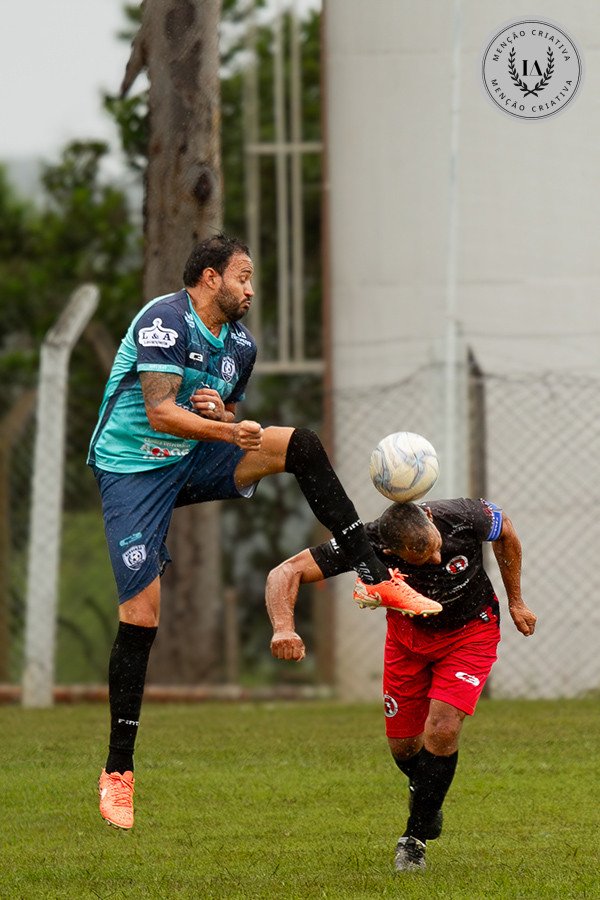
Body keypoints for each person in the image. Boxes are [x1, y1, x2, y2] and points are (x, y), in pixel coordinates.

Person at [87, 233, 442, 830]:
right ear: (208, 278)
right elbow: (159, 412)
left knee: (300, 445)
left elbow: (218, 416)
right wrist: (229, 431)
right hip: (132, 470)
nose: (251, 289)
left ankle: (376, 575)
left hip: (191, 458)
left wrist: (223, 417)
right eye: (243, 277)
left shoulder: (241, 346)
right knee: (142, 616)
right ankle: (118, 772)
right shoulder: (163, 321)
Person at [266, 497, 537, 873]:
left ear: (429, 518)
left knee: (442, 729)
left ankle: (414, 839)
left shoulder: (463, 517)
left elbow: (505, 531)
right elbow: (285, 571)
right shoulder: (366, 542)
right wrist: (283, 627)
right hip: (407, 642)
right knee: (404, 748)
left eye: (436, 549)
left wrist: (517, 601)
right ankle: (428, 794)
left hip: (471, 632)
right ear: (391, 551)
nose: (437, 561)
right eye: (422, 558)